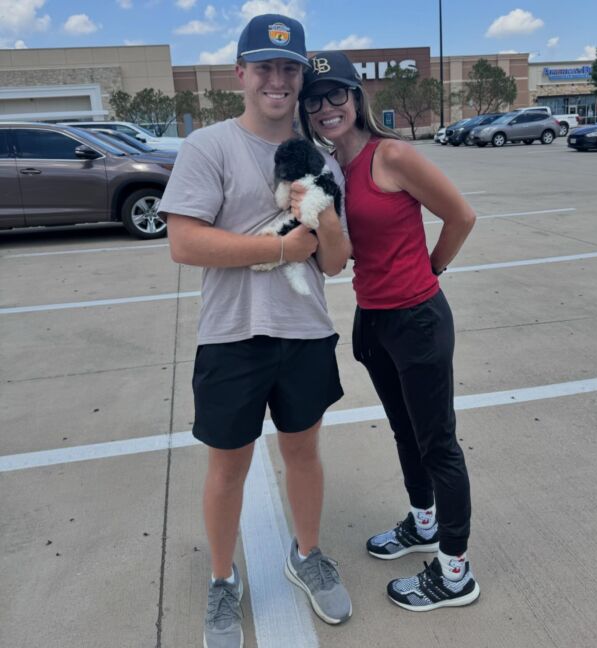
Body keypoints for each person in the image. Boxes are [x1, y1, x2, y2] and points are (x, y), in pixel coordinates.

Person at [159, 19, 352, 647]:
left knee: (303, 453)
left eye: (289, 69)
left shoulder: (321, 161)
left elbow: (333, 260)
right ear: (240, 74)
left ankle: (308, 553)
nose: (278, 80)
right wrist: (278, 250)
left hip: (304, 333)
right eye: (265, 67)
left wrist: (317, 218)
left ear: (300, 78)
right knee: (228, 466)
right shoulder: (208, 147)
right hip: (231, 334)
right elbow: (185, 243)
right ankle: (222, 582)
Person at [298, 51, 480, 612]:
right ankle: (423, 523)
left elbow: (462, 216)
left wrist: (431, 269)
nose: (327, 107)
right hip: (373, 317)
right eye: (314, 99)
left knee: (438, 443)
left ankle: (454, 574)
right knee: (405, 433)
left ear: (357, 97)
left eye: (336, 94)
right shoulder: (331, 168)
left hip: (418, 318)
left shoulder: (391, 155)